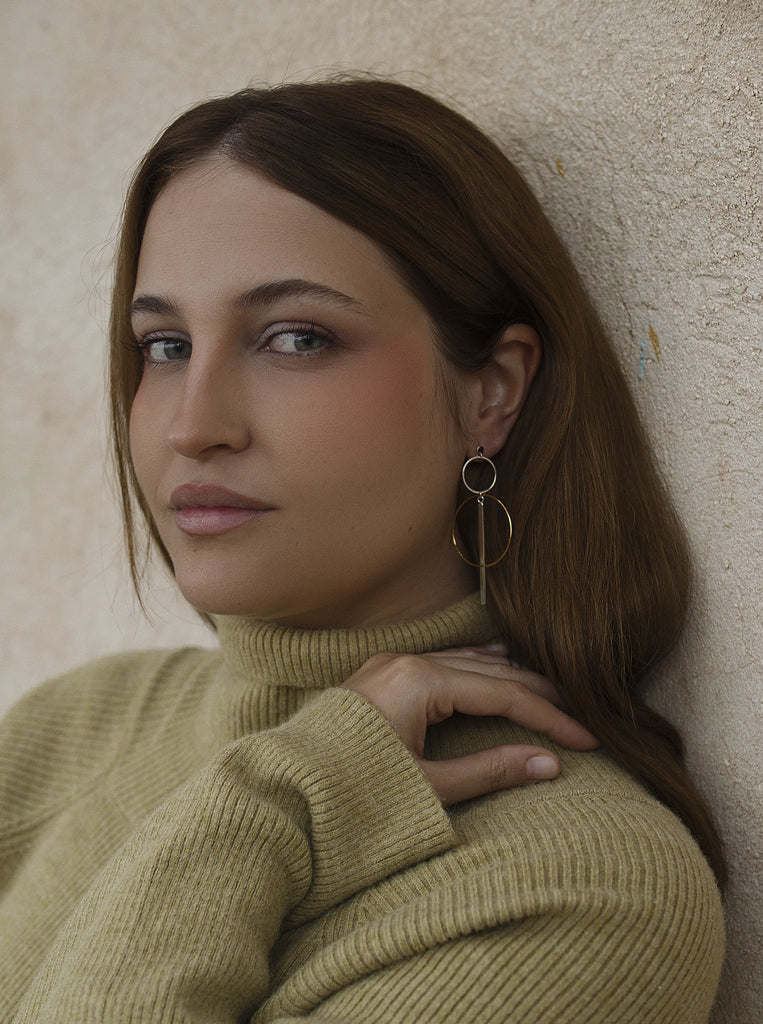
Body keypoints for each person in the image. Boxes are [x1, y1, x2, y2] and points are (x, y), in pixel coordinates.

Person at [0, 77, 725, 1023]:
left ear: (490, 393)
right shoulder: (76, 730)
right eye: (166, 345)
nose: (194, 425)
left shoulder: (580, 887)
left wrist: (275, 810)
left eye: (296, 338)